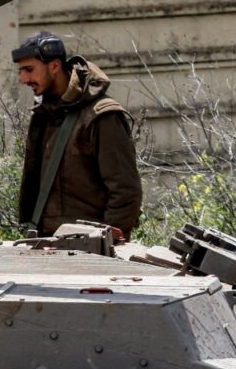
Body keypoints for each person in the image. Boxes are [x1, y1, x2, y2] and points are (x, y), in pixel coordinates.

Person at [13, 31, 141, 237]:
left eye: (29, 70)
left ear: (54, 66)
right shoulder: (46, 114)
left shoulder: (101, 116)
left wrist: (106, 244)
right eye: (21, 71)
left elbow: (125, 192)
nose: (23, 79)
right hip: (49, 245)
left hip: (89, 251)